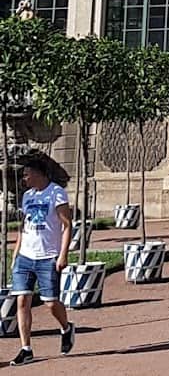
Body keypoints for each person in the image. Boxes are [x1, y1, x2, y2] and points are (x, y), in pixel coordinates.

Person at [8, 152, 75, 364]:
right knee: (22, 300)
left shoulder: (56, 193)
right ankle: (26, 348)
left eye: (27, 175)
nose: (24, 179)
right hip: (26, 256)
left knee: (50, 302)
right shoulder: (28, 196)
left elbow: (67, 225)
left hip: (48, 256)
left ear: (38, 174)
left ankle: (66, 327)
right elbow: (24, 226)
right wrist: (16, 251)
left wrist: (63, 254)